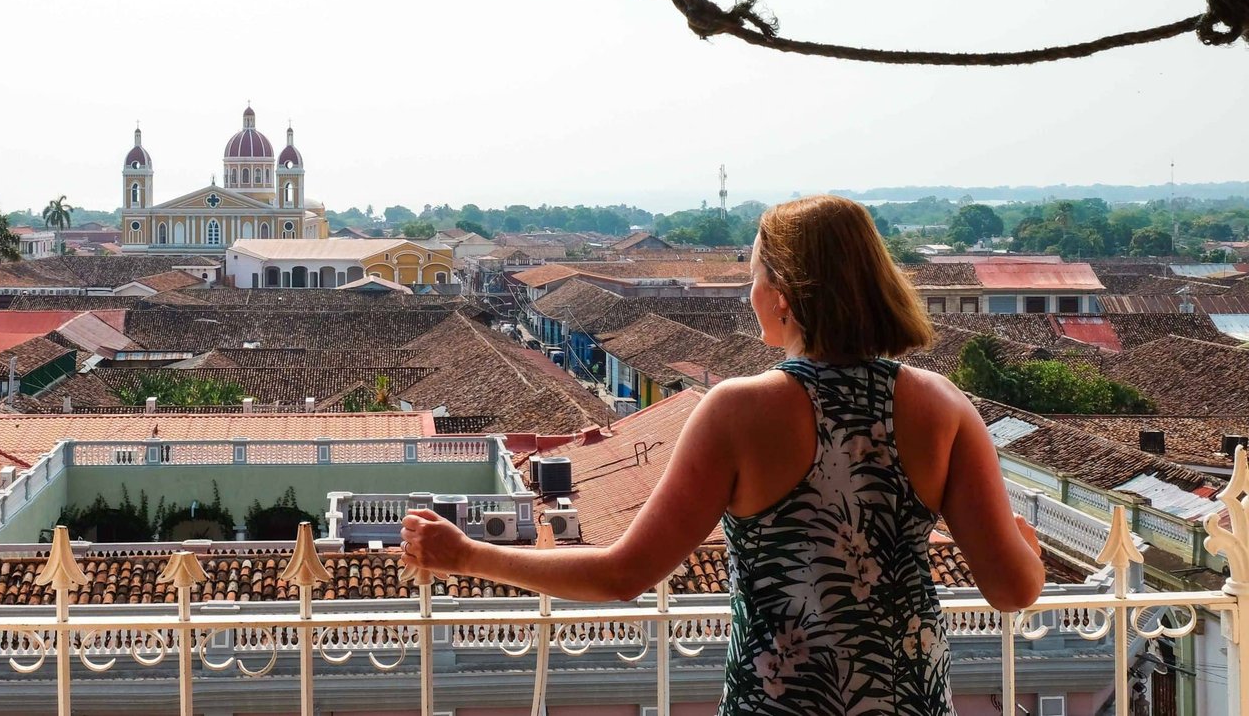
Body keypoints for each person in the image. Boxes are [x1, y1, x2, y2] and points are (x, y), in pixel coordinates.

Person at [400, 194, 1044, 715]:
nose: (749, 292)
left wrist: (467, 556)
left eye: (755, 275)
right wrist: (1029, 554)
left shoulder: (740, 411)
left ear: (785, 292)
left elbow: (623, 574)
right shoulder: (942, 406)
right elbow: (1014, 590)